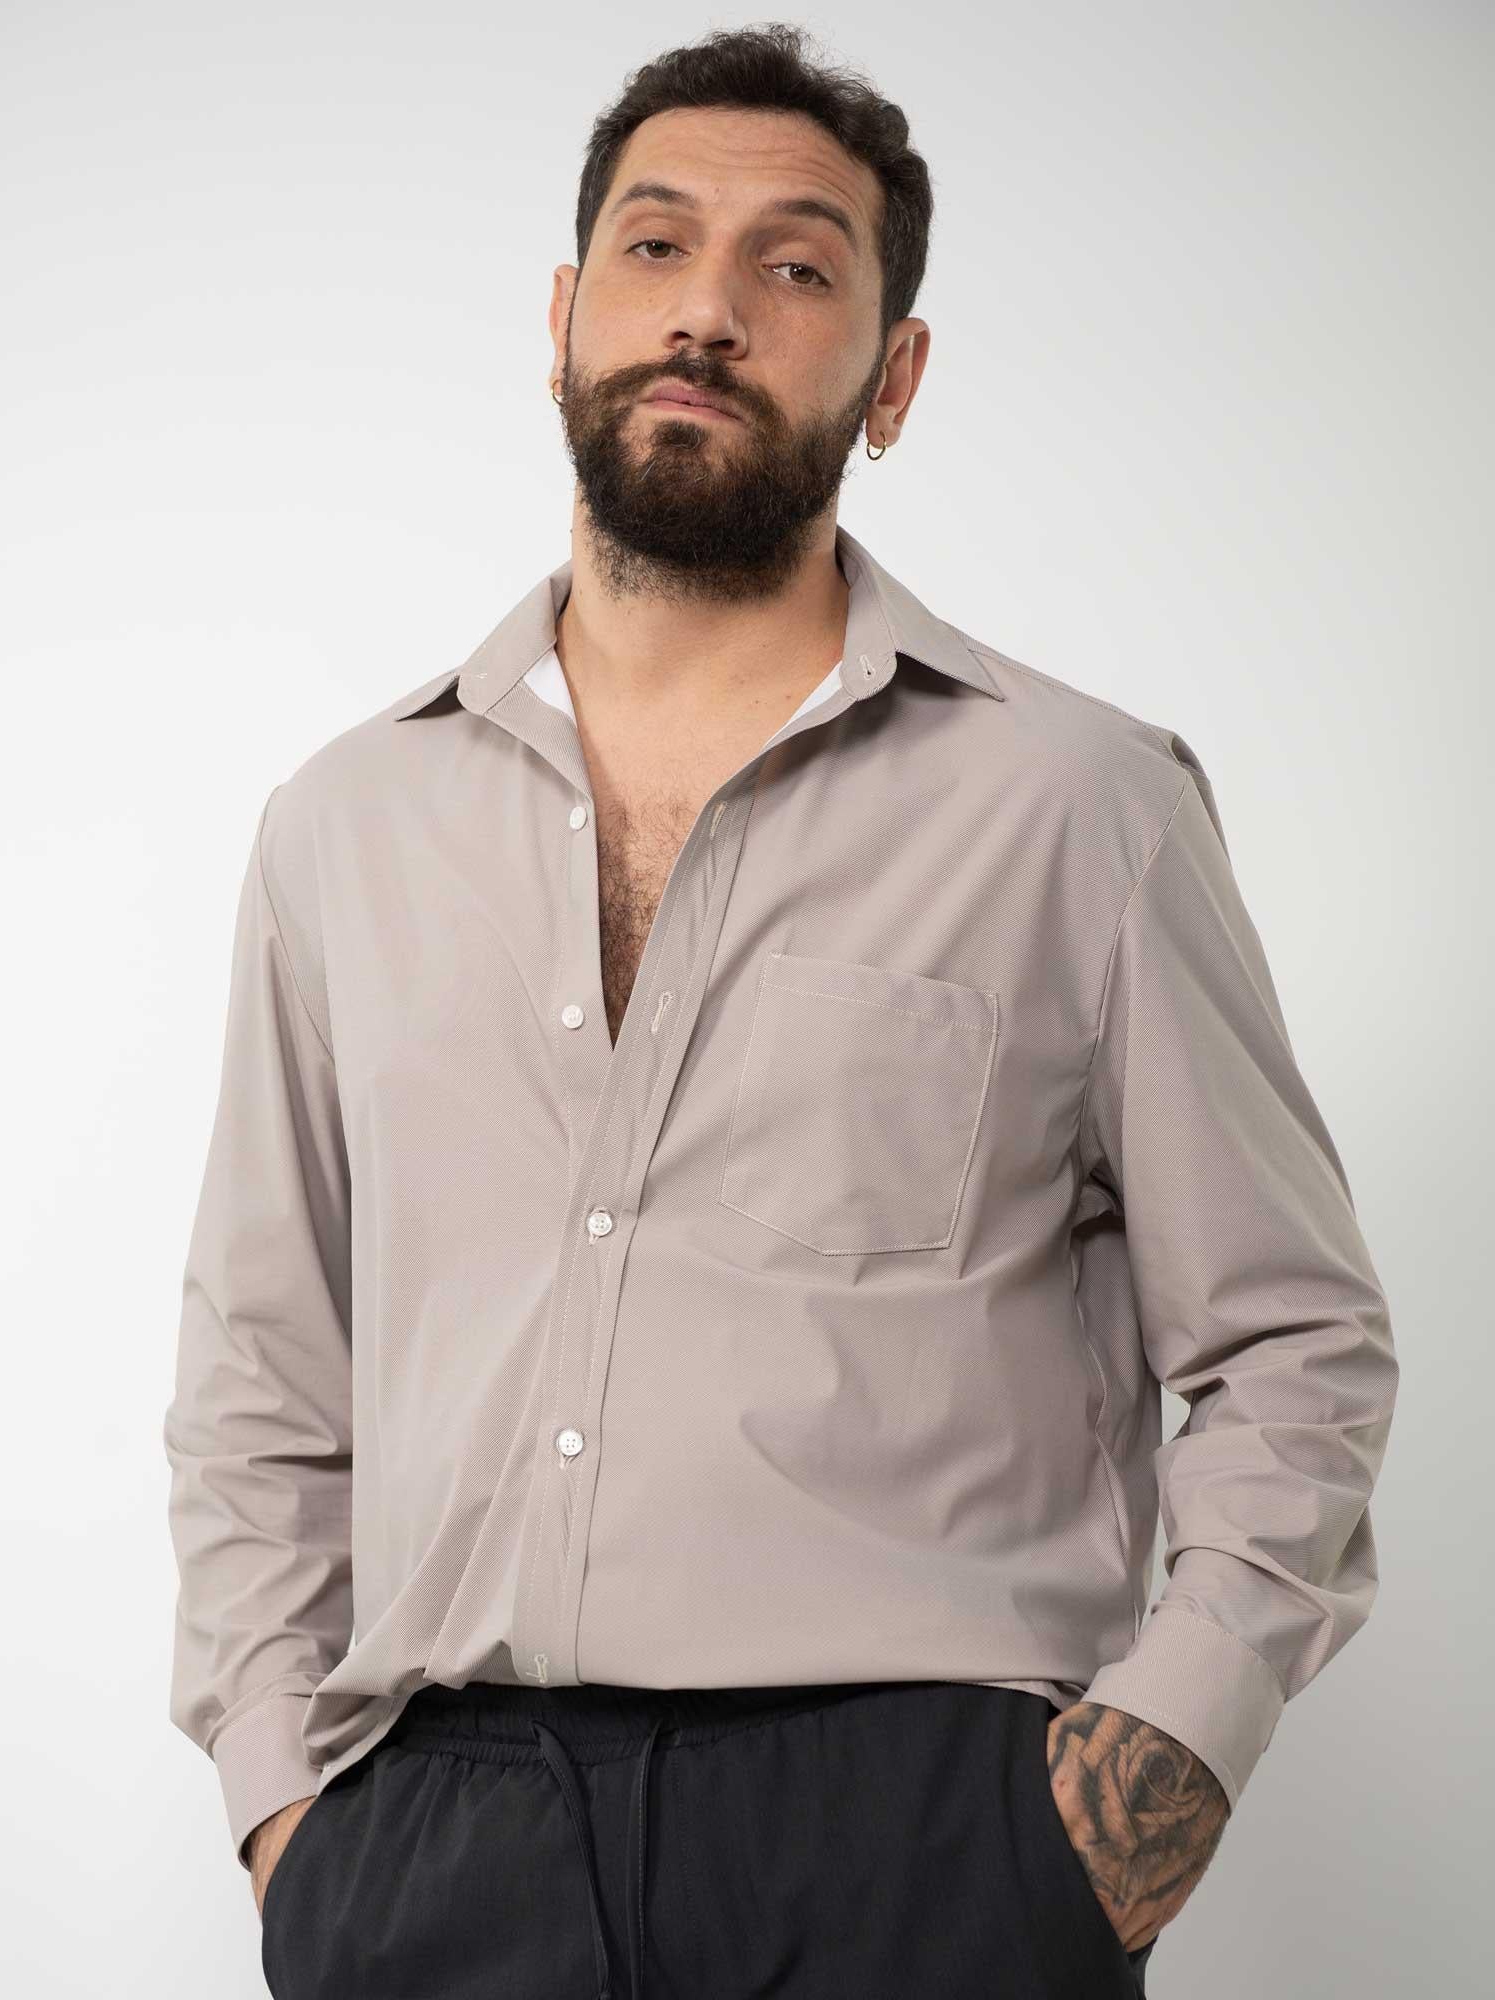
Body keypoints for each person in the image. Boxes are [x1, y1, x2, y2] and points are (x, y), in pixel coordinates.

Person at [162, 23, 1399, 1999]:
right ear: (562, 318)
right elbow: (259, 1377)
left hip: (920, 1838)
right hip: (435, 1844)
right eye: (654, 248)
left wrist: (1139, 1781)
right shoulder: (343, 827)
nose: (708, 310)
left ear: (892, 377)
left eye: (795, 266)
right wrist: (285, 1817)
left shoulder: (1077, 808)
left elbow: (1292, 1346)